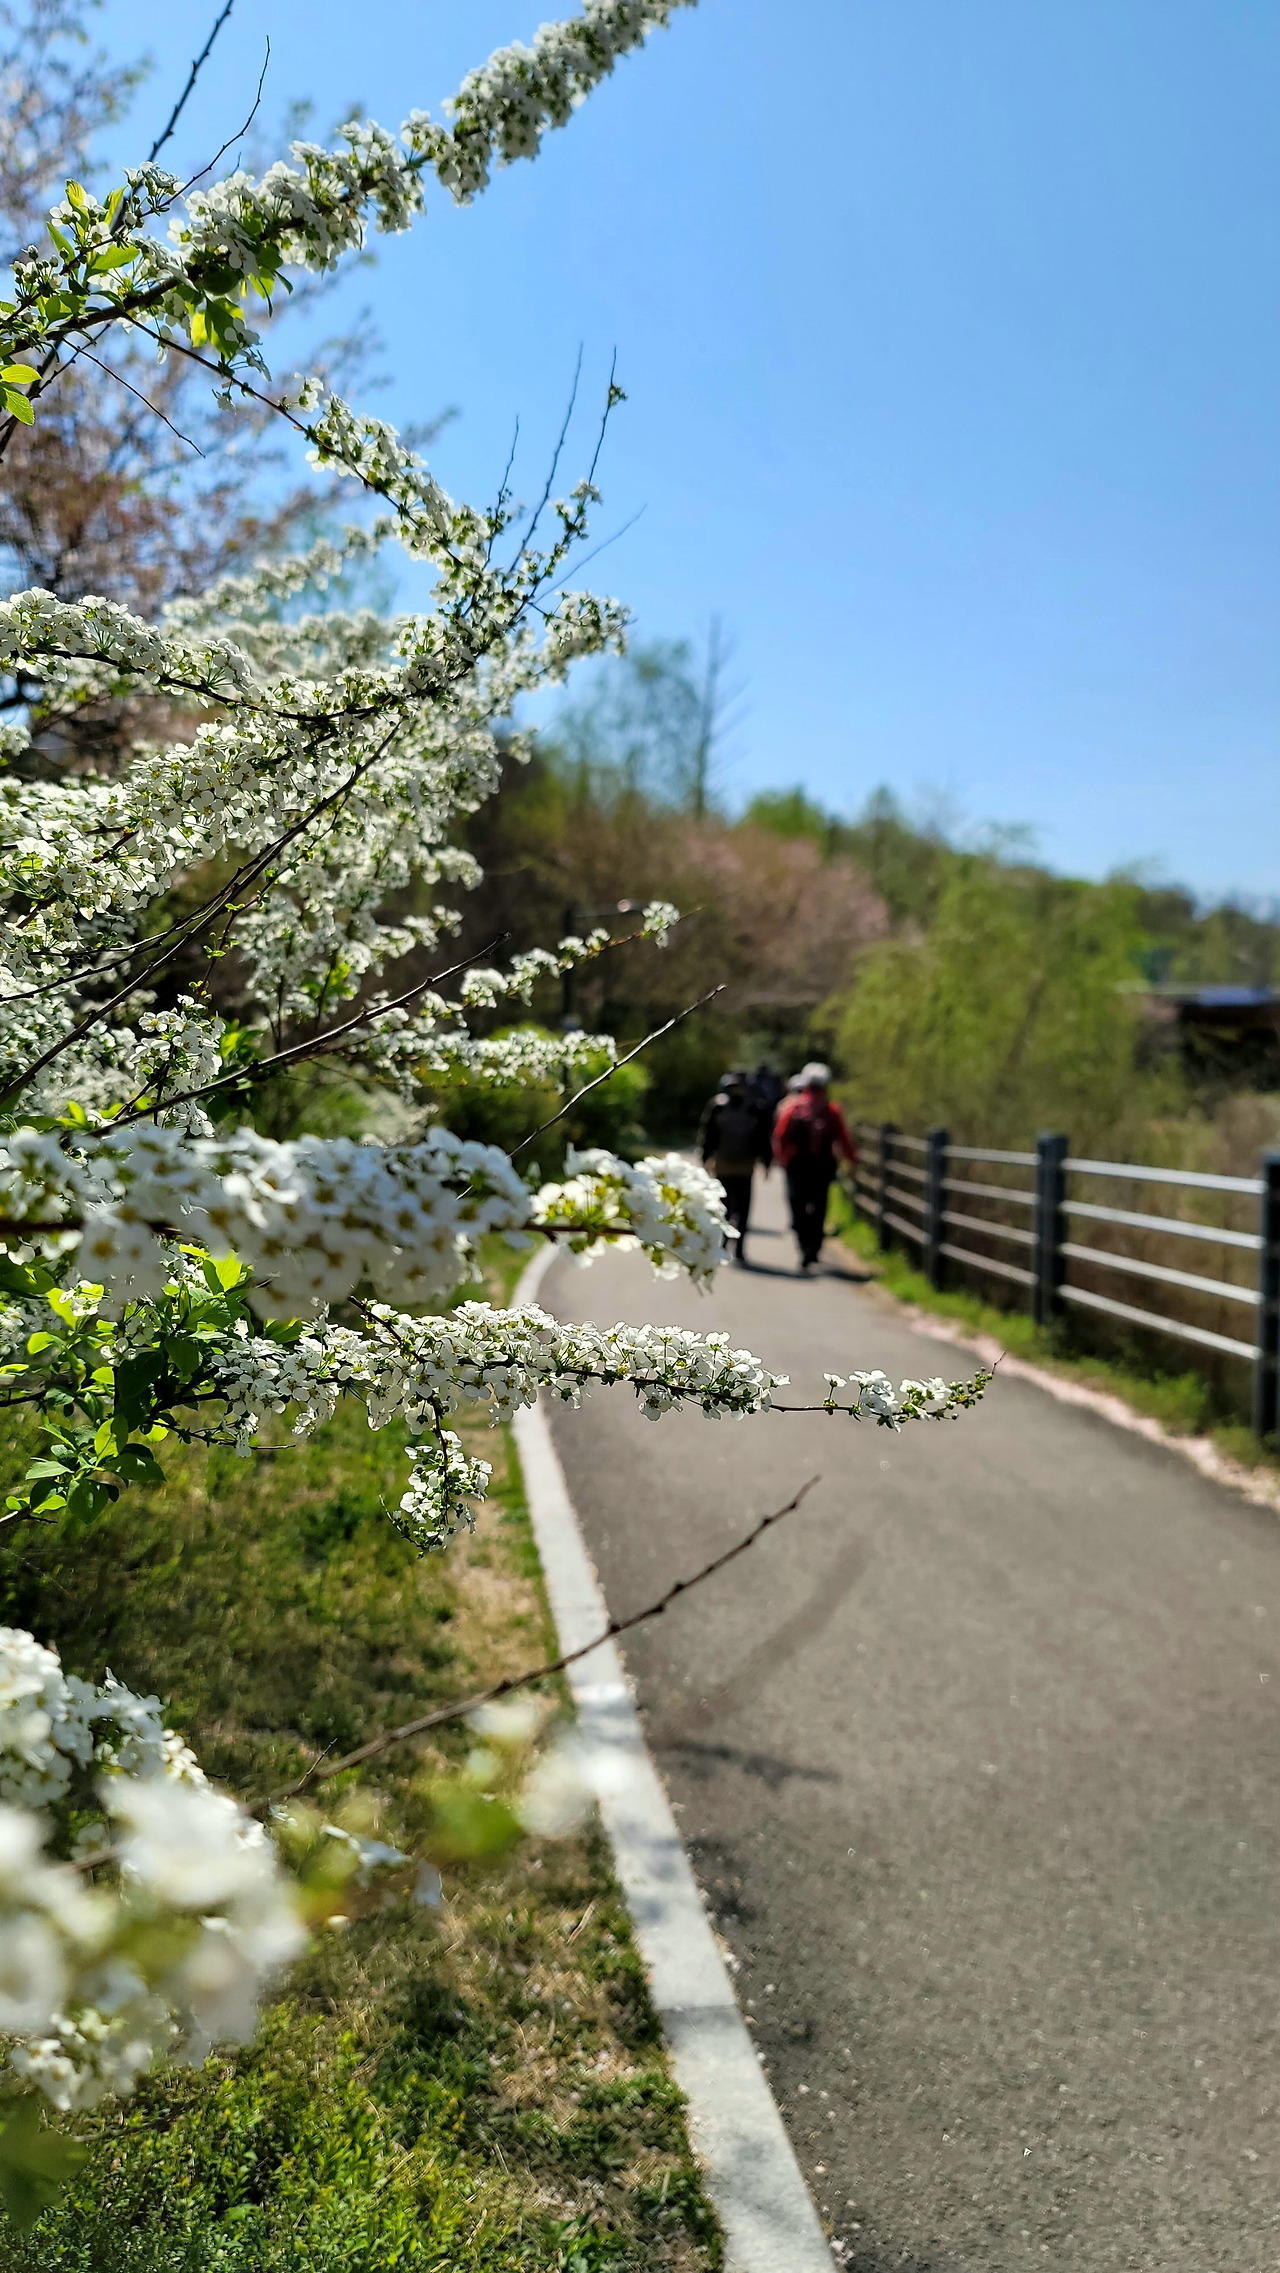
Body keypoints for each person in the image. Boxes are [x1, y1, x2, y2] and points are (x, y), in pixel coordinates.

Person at [772, 1061, 856, 1272]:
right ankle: (814, 1248)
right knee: (819, 1208)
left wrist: (782, 1159)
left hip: (796, 1167)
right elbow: (843, 1138)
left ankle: (803, 1247)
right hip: (822, 1167)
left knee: (797, 1207)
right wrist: (852, 1160)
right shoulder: (831, 1111)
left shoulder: (792, 1108)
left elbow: (780, 1135)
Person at [699, 1069, 772, 1265]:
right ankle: (739, 1250)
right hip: (745, 1167)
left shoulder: (717, 1106)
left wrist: (705, 1159)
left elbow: (708, 1136)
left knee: (723, 1208)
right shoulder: (755, 1109)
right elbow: (763, 1140)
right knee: (743, 1209)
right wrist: (766, 1162)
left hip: (723, 1166)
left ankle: (723, 1246)